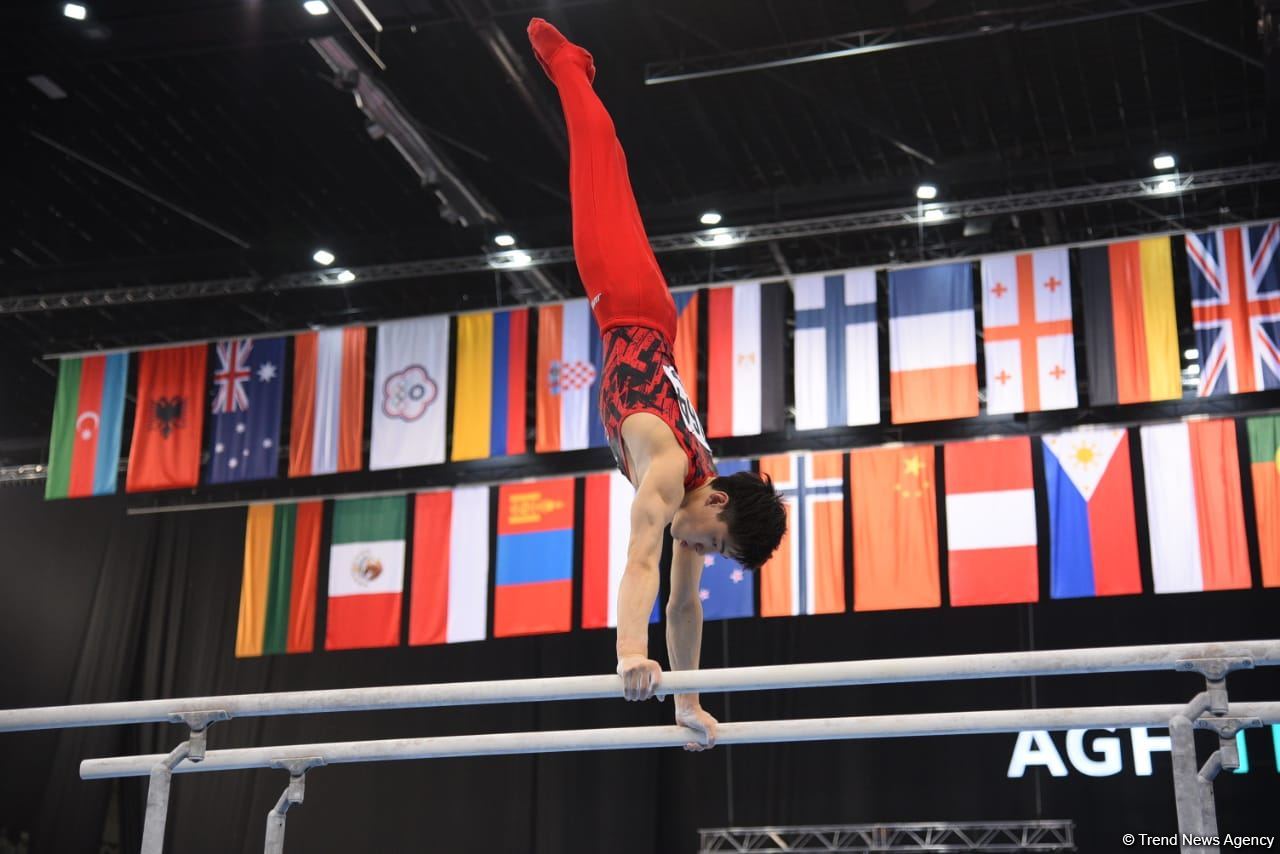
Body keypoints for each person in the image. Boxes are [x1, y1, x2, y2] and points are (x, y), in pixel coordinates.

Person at [527, 19, 787, 752]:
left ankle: (573, 73)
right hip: (631, 301)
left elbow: (681, 605)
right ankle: (569, 67)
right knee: (596, 161)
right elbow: (640, 560)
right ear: (718, 502)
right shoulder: (673, 477)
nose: (702, 550)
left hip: (631, 312)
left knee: (601, 167)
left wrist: (687, 702)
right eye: (715, 540)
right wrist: (628, 656)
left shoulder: (691, 506)